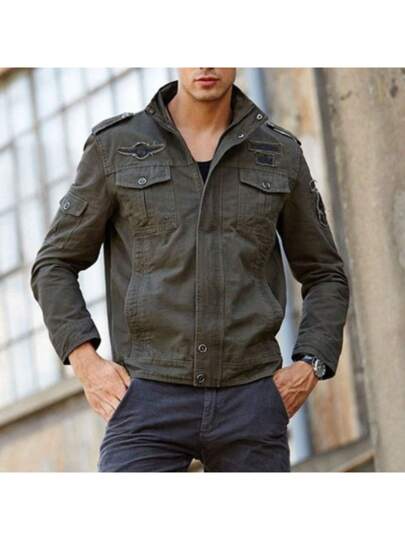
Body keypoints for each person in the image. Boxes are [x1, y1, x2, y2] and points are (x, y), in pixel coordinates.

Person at [30, 68, 350, 472]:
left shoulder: (279, 153)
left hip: (250, 402)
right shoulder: (116, 146)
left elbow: (325, 274)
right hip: (147, 398)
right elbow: (54, 264)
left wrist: (310, 366)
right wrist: (86, 364)